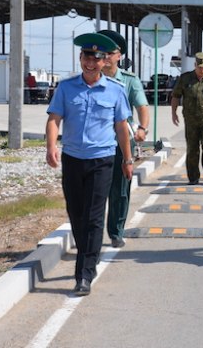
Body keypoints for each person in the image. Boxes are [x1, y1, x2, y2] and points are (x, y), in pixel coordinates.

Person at [45, 32, 134, 296]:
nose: (91, 63)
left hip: (102, 160)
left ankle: (84, 273)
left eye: (96, 58)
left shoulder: (116, 91)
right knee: (77, 214)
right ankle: (87, 259)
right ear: (81, 58)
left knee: (95, 217)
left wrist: (127, 159)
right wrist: (51, 147)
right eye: (87, 57)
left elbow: (121, 128)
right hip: (73, 159)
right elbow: (54, 119)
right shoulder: (66, 88)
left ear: (105, 61)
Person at [98, 29, 150, 249]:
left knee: (120, 189)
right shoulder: (90, 78)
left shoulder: (128, 80)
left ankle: (116, 231)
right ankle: (92, 232)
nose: (106, 57)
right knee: (96, 190)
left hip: (121, 141)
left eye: (110, 53)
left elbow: (142, 106)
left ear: (119, 56)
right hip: (97, 141)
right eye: (102, 52)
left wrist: (143, 128)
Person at [171, 52, 203, 185]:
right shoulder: (185, 78)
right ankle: (193, 177)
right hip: (190, 119)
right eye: (200, 67)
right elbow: (176, 96)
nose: (202, 70)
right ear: (195, 65)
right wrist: (173, 113)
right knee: (192, 148)